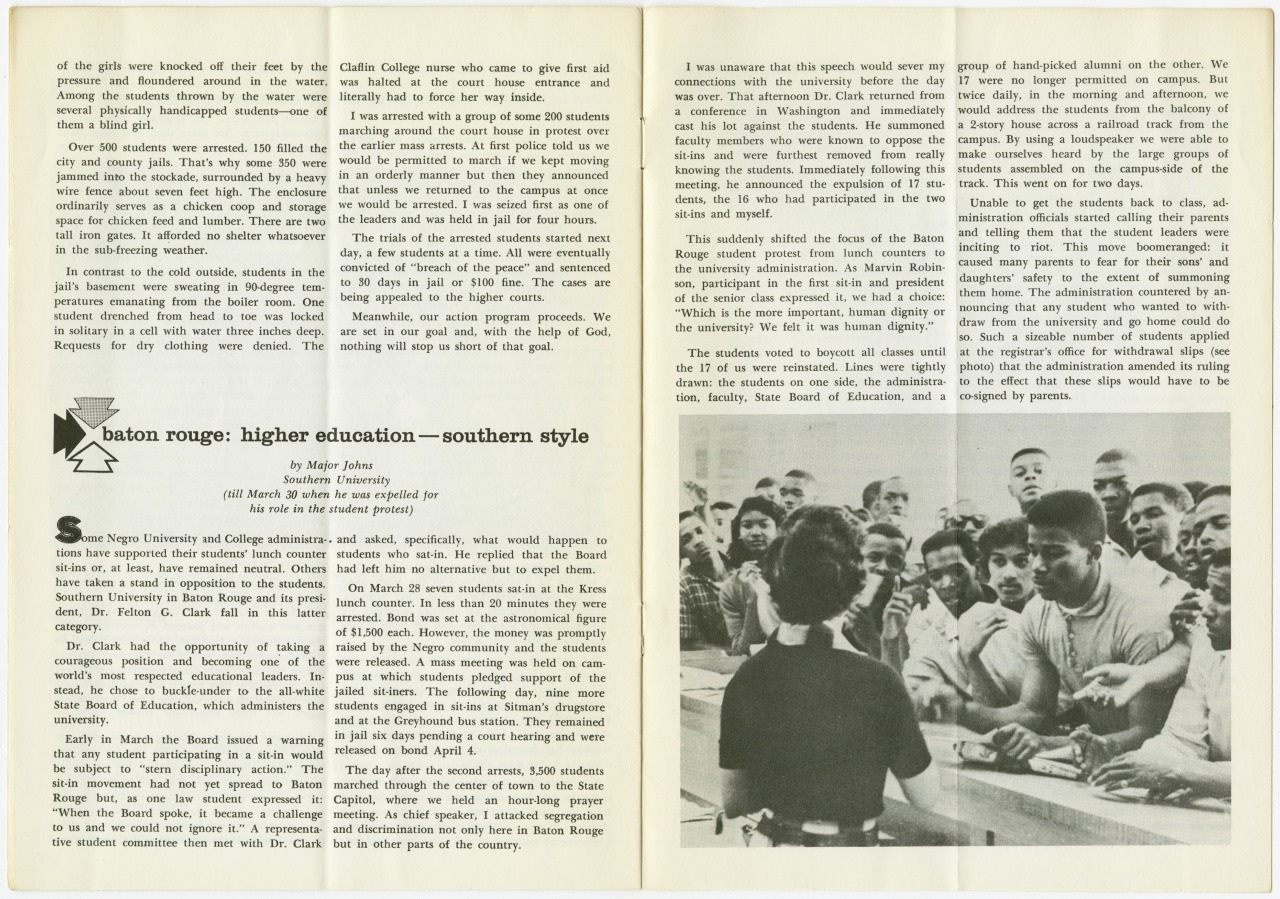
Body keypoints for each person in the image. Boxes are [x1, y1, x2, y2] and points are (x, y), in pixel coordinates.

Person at [719, 505, 938, 845]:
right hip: (852, 855)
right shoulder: (878, 680)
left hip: (774, 847)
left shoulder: (750, 675)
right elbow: (926, 798)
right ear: (855, 588)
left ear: (776, 586)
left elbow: (736, 802)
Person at [954, 491, 1177, 775]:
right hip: (1090, 758)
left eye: (1054, 553)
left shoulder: (1140, 616)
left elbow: (1147, 732)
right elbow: (1034, 711)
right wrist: (958, 708)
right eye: (1033, 551)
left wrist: (1048, 744)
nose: (1037, 566)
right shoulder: (1038, 612)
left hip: (1155, 768)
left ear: (1094, 553)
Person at [1091, 549, 1231, 799]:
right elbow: (1182, 740)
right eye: (1210, 592)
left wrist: (1180, 773)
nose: (1206, 610)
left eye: (1223, 597)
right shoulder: (1207, 647)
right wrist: (1123, 762)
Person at [898, 529, 996, 717]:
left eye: (958, 571)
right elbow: (907, 697)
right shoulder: (932, 636)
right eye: (936, 576)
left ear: (978, 568)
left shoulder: (1016, 611)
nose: (947, 583)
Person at [719, 497, 784, 655]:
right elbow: (741, 651)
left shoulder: (795, 573)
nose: (755, 533)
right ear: (739, 533)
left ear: (779, 530)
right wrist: (754, 595)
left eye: (764, 524)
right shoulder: (730, 588)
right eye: (747, 526)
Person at [841, 521, 910, 660]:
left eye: (893, 561)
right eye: (874, 558)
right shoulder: (837, 595)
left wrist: (871, 640)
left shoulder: (909, 606)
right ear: (856, 559)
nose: (883, 567)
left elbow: (901, 674)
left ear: (902, 568)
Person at [679, 511, 730, 650]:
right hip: (717, 667)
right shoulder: (684, 585)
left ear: (712, 532)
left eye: (700, 531)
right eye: (686, 540)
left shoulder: (740, 565)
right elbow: (687, 644)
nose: (698, 541)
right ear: (681, 552)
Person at [1127, 482, 1194, 575]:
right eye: (1134, 520)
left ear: (1186, 517)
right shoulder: (1131, 580)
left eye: (1154, 514)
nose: (1140, 526)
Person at [1092, 448, 1140, 555]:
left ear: (1139, 486)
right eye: (1098, 486)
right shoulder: (1088, 548)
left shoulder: (1161, 545)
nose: (1108, 494)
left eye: (1122, 483)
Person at [1008, 447, 1055, 514]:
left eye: (1039, 470)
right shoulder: (1002, 524)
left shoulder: (1074, 522)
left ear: (1054, 483)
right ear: (1011, 490)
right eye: (1019, 473)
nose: (1030, 475)